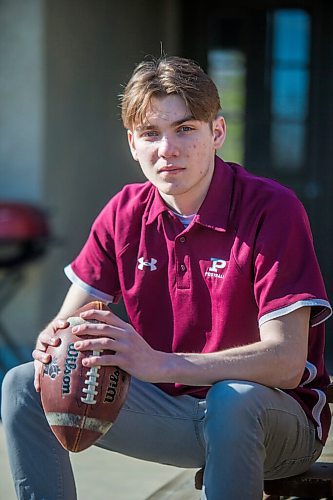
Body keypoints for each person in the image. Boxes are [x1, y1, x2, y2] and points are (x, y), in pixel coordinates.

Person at [1, 55, 332, 500]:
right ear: (132, 143)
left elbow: (288, 363)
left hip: (275, 420)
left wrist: (160, 362)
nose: (167, 149)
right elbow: (68, 326)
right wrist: (53, 341)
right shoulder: (125, 210)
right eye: (151, 134)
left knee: (232, 398)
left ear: (217, 133)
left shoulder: (272, 208)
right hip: (173, 414)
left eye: (185, 129)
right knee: (23, 384)